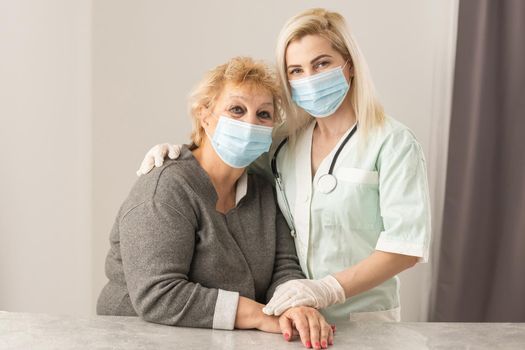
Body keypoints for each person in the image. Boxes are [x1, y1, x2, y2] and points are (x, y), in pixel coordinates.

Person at [136, 8, 431, 323]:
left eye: (322, 64)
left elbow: (405, 246)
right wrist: (184, 152)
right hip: (291, 318)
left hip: (365, 320)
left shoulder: (393, 143)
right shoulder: (282, 145)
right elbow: (231, 159)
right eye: (296, 70)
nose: (310, 78)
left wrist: (328, 289)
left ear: (349, 65)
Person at [97, 56, 335, 349]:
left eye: (263, 114)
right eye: (237, 109)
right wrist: (260, 315)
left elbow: (283, 266)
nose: (250, 123)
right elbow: (157, 293)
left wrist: (294, 304)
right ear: (205, 116)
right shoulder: (167, 187)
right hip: (138, 339)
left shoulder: (263, 191)